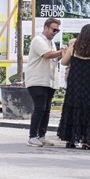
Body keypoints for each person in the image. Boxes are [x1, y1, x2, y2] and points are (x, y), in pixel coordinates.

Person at [56, 23, 90, 150]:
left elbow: (63, 62)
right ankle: (86, 140)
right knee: (89, 110)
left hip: (75, 84)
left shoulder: (74, 48)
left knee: (73, 109)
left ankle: (70, 140)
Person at [25, 17, 66, 147]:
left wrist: (61, 54)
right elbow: (47, 55)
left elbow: (53, 59)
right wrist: (63, 51)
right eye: (54, 29)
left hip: (49, 81)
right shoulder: (38, 40)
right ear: (46, 28)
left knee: (47, 109)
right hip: (38, 80)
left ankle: (41, 136)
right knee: (39, 108)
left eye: (57, 31)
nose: (55, 32)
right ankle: (32, 136)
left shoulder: (51, 43)